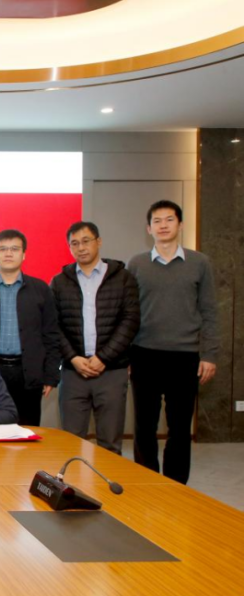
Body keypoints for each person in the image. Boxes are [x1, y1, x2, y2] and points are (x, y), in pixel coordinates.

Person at [128, 200, 219, 484]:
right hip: (144, 354)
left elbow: (209, 311)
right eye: (157, 221)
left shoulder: (199, 263)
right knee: (144, 426)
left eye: (169, 219)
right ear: (149, 228)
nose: (163, 225)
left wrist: (210, 354)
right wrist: (126, 356)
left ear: (180, 225)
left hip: (185, 356)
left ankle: (175, 486)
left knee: (180, 428)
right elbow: (129, 313)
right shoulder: (137, 264)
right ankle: (146, 482)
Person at [50, 222, 140, 455]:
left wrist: (104, 357)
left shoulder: (123, 278)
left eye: (86, 241)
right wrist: (73, 358)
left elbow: (130, 321)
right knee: (70, 442)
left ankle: (106, 482)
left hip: (111, 370)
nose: (81, 248)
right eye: (74, 243)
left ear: (98, 242)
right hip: (73, 372)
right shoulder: (60, 281)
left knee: (110, 444)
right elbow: (53, 325)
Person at [0, 229, 60, 427]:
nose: (8, 253)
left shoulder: (40, 289)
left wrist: (51, 375)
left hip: (28, 373)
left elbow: (51, 334)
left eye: (14, 249)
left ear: (24, 254)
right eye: (3, 249)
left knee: (27, 430)